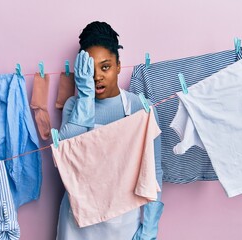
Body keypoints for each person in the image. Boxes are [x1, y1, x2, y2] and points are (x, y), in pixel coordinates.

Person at [56, 21, 163, 240]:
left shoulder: (139, 107)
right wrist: (84, 98)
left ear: (118, 66)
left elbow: (155, 171)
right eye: (90, 70)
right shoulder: (73, 106)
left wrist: (150, 227)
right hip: (76, 223)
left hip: (122, 223)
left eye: (105, 67)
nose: (97, 77)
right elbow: (65, 158)